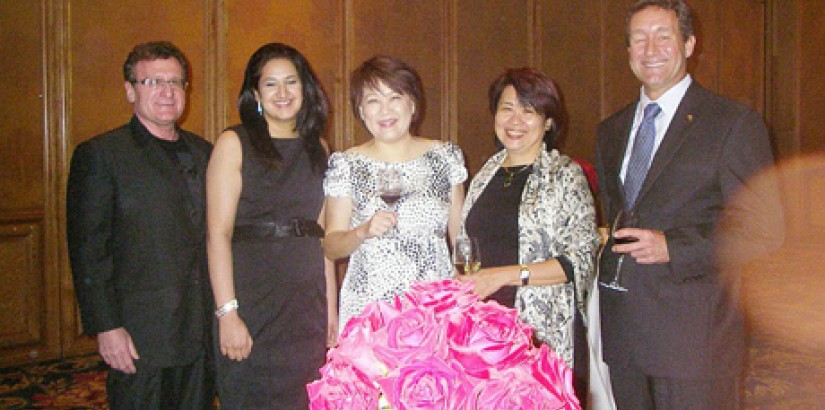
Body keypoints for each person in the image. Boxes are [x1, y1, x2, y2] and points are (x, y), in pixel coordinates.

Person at [594, 1, 783, 408]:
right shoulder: (611, 130)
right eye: (638, 39)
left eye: (663, 36)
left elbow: (763, 229)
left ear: (689, 43)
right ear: (627, 50)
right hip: (625, 334)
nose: (650, 49)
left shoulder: (732, 123)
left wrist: (673, 247)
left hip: (696, 339)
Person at [66, 41, 214, 409]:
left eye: (176, 82)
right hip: (141, 334)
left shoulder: (206, 152)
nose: (167, 92)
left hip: (199, 328)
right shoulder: (102, 155)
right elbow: (88, 250)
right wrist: (106, 326)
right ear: (130, 90)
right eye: (153, 82)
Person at [206, 43, 337, 409]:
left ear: (306, 89)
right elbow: (218, 234)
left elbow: (322, 235)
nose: (283, 93)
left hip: (305, 305)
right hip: (253, 301)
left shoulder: (320, 148)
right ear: (255, 93)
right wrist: (227, 313)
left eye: (291, 82)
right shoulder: (234, 143)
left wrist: (331, 309)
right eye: (271, 84)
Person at [456, 68, 600, 391]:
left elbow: (580, 260)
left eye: (529, 110)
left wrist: (504, 275)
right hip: (484, 331)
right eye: (507, 108)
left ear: (548, 121)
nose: (515, 119)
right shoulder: (484, 175)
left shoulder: (565, 175)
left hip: (540, 332)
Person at [323, 55, 467, 329]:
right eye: (373, 101)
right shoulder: (347, 165)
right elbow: (331, 247)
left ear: (412, 104)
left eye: (394, 98)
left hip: (433, 307)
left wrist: (464, 295)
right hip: (370, 309)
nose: (384, 110)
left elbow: (462, 238)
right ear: (361, 111)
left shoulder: (445, 157)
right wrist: (362, 231)